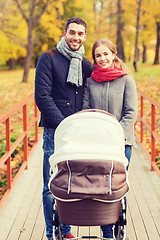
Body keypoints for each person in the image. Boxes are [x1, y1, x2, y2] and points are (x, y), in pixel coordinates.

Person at [35, 17, 92, 240]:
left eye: (80, 33)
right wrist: (64, 125)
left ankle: (66, 231)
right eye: (72, 32)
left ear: (85, 36)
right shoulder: (48, 59)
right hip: (54, 131)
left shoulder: (86, 64)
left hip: (78, 133)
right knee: (51, 185)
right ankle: (51, 233)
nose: (76, 37)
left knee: (72, 183)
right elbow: (42, 96)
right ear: (65, 33)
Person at [83, 38, 138, 239]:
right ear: (94, 59)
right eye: (98, 55)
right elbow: (86, 110)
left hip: (121, 143)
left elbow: (131, 113)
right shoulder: (91, 81)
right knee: (100, 187)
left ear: (113, 54)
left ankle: (117, 228)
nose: (102, 58)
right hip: (98, 144)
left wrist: (115, 136)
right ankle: (106, 233)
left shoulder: (126, 79)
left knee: (116, 188)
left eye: (106, 54)